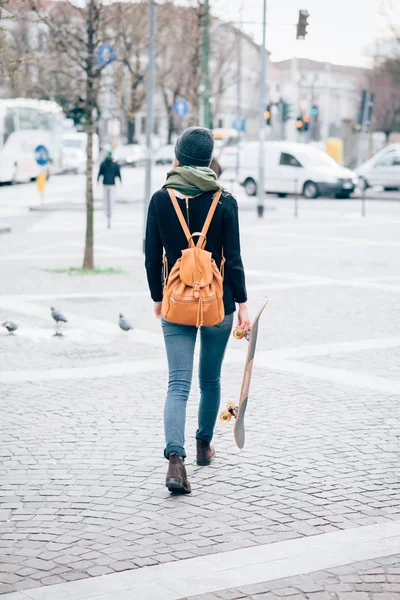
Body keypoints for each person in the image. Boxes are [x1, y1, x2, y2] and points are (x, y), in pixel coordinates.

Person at [145, 126, 249, 495]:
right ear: (208, 160)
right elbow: (233, 260)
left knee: (178, 383)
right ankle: (204, 445)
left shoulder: (160, 200)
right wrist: (243, 306)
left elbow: (150, 256)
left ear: (178, 156)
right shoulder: (225, 201)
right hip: (217, 304)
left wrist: (158, 297)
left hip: (176, 302)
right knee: (210, 379)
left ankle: (176, 459)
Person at [97, 151, 121, 228]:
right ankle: (109, 212)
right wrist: (120, 181)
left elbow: (100, 173)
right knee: (111, 199)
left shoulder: (103, 163)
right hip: (112, 184)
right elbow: (118, 173)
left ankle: (107, 212)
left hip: (105, 183)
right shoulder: (115, 164)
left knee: (106, 199)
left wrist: (98, 180)